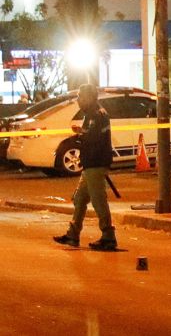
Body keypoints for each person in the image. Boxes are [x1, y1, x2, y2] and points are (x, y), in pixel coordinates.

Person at [53, 84, 117, 251]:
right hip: (90, 163)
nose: (78, 100)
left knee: (98, 200)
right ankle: (73, 234)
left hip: (95, 163)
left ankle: (108, 236)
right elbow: (91, 136)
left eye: (81, 96)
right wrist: (81, 133)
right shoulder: (92, 114)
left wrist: (80, 134)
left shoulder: (96, 115)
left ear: (89, 97)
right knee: (80, 199)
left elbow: (93, 138)